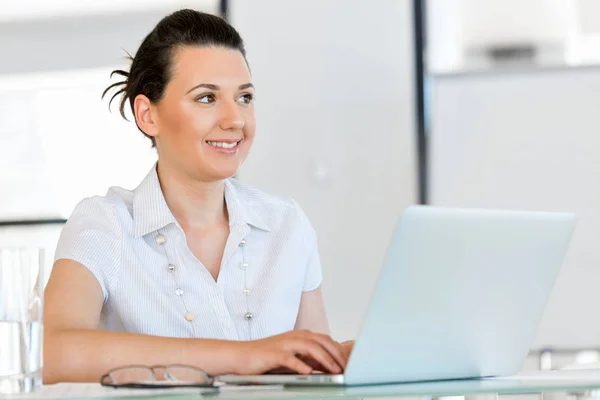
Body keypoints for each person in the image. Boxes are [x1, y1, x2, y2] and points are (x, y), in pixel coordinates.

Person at [43, 9, 352, 384]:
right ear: (147, 115)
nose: (235, 119)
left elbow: (316, 377)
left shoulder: (287, 223)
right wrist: (245, 356)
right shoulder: (104, 224)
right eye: (206, 98)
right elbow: (56, 354)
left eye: (245, 97)